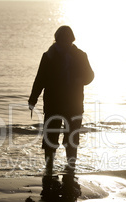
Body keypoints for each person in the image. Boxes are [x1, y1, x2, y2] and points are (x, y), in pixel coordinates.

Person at [28, 26, 94, 174]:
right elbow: (40, 80)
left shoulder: (80, 55)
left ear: (72, 39)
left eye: (67, 39)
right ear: (57, 40)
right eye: (61, 39)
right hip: (53, 104)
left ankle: (70, 167)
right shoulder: (48, 56)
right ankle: (49, 167)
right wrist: (33, 99)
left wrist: (79, 79)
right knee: (50, 137)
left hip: (74, 104)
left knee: (72, 138)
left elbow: (90, 75)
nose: (65, 42)